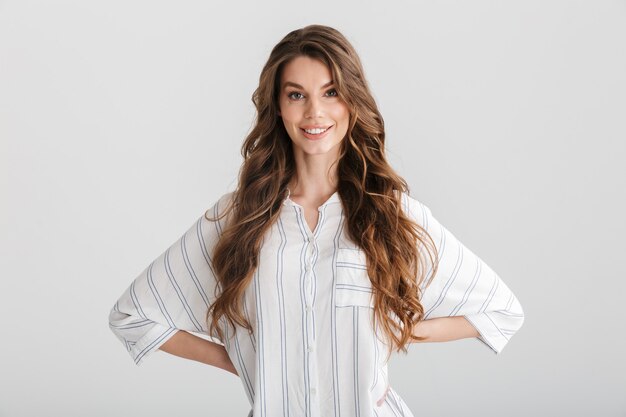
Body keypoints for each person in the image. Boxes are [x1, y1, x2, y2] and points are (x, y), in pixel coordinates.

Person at [108, 24, 525, 417]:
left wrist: (397, 331)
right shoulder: (238, 217)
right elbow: (133, 315)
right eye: (296, 95)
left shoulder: (391, 212)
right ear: (277, 105)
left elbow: (501, 311)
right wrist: (242, 358)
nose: (314, 112)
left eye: (330, 92)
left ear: (351, 101)